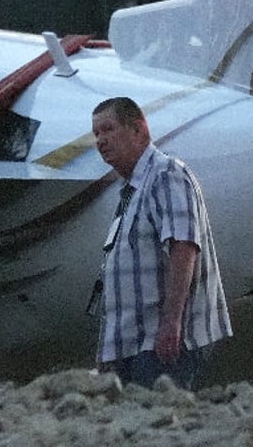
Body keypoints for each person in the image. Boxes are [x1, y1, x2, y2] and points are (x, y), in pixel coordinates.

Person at [90, 96, 232, 390]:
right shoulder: (130, 192)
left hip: (162, 344)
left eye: (108, 129)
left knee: (158, 428)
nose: (101, 141)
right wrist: (108, 352)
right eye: (96, 134)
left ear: (139, 129)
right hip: (133, 346)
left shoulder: (166, 174)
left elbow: (184, 246)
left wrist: (171, 324)